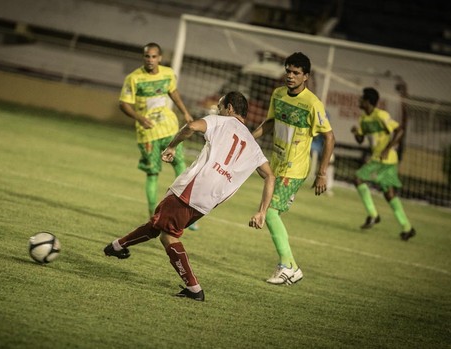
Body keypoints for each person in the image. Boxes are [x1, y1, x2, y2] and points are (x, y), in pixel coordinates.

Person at [104, 91, 275, 301]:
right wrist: (262, 211)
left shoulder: (221, 121)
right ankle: (117, 246)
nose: (218, 111)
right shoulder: (253, 145)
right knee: (161, 222)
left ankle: (194, 288)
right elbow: (270, 176)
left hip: (194, 187)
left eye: (220, 107)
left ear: (230, 108)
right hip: (211, 199)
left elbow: (192, 126)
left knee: (168, 235)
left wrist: (172, 146)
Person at [252, 52, 335, 285]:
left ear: (305, 76)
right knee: (271, 212)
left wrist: (321, 173)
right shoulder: (278, 95)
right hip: (276, 166)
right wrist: (248, 138)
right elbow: (270, 123)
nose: (290, 76)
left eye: (296, 73)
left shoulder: (312, 103)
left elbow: (330, 138)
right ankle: (288, 266)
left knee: (269, 212)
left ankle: (289, 266)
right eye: (288, 71)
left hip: (296, 169)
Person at [119, 42, 196, 227]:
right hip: (148, 133)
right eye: (147, 56)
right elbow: (123, 103)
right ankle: (154, 215)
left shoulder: (168, 73)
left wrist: (185, 112)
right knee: (153, 174)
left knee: (181, 167)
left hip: (169, 128)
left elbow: (173, 92)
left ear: (160, 58)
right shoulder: (134, 78)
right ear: (143, 57)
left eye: (154, 56)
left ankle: (185, 214)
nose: (150, 60)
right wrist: (139, 118)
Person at [350, 87, 416, 241]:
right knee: (389, 193)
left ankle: (373, 215)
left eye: (361, 98)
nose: (359, 100)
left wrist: (388, 148)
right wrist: (356, 133)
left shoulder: (381, 115)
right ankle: (407, 227)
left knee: (357, 178)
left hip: (386, 159)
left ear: (367, 101)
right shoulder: (363, 119)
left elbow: (399, 130)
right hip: (378, 159)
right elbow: (360, 140)